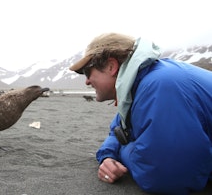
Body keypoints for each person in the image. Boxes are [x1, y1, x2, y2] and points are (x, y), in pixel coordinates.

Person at [69, 32, 212, 194]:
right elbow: (119, 130)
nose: (86, 81)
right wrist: (107, 156)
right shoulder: (142, 86)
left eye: (88, 72)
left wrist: (124, 151)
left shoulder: (159, 86)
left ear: (111, 66)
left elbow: (166, 177)